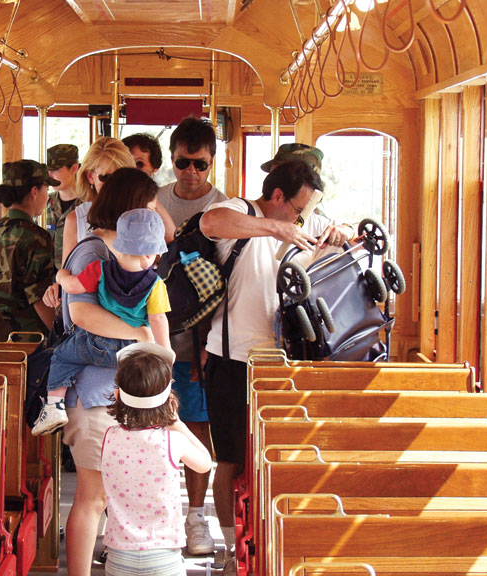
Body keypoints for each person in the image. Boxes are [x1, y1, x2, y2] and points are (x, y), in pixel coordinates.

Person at [199, 159, 356, 574]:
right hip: (231, 358)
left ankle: (274, 544)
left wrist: (338, 233)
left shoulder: (301, 221)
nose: (302, 219)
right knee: (230, 459)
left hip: (283, 361)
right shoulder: (242, 211)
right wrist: (276, 228)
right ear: (278, 197)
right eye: (297, 210)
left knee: (280, 458)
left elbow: (341, 236)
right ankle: (233, 548)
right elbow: (211, 222)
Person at [55, 167, 164, 576]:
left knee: (111, 493)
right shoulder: (95, 252)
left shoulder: (124, 254)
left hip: (113, 390)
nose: (154, 215)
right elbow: (82, 314)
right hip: (94, 391)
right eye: (150, 207)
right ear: (131, 209)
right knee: (93, 496)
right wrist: (139, 334)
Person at [33, 206, 171, 436]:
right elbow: (158, 319)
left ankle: (53, 406)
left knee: (61, 356)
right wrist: (165, 350)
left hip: (95, 343)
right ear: (151, 255)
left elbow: (72, 286)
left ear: (119, 245)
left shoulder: (99, 269)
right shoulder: (156, 285)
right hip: (131, 351)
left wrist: (60, 275)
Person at [156, 115, 228, 556]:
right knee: (148, 428)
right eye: (184, 162)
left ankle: (196, 517)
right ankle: (155, 513)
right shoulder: (154, 201)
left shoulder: (225, 209)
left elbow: (228, 285)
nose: (191, 172)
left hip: (202, 341)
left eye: (200, 164)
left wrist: (209, 343)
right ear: (173, 159)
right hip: (152, 337)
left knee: (197, 428)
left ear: (212, 163)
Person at [101, 342, 213, 576]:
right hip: (164, 557)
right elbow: (204, 463)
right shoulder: (173, 441)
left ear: (117, 395)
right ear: (168, 399)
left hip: (119, 555)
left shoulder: (109, 437)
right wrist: (178, 423)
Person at [0, 160, 58, 342]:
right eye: (46, 190)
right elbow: (39, 298)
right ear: (34, 191)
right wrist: (58, 338)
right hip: (29, 342)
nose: (47, 197)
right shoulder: (37, 237)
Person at [44, 143, 81, 269]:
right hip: (50, 281)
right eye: (48, 171)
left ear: (74, 168)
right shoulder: (46, 203)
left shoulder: (89, 205)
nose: (50, 176)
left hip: (77, 279)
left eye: (56, 170)